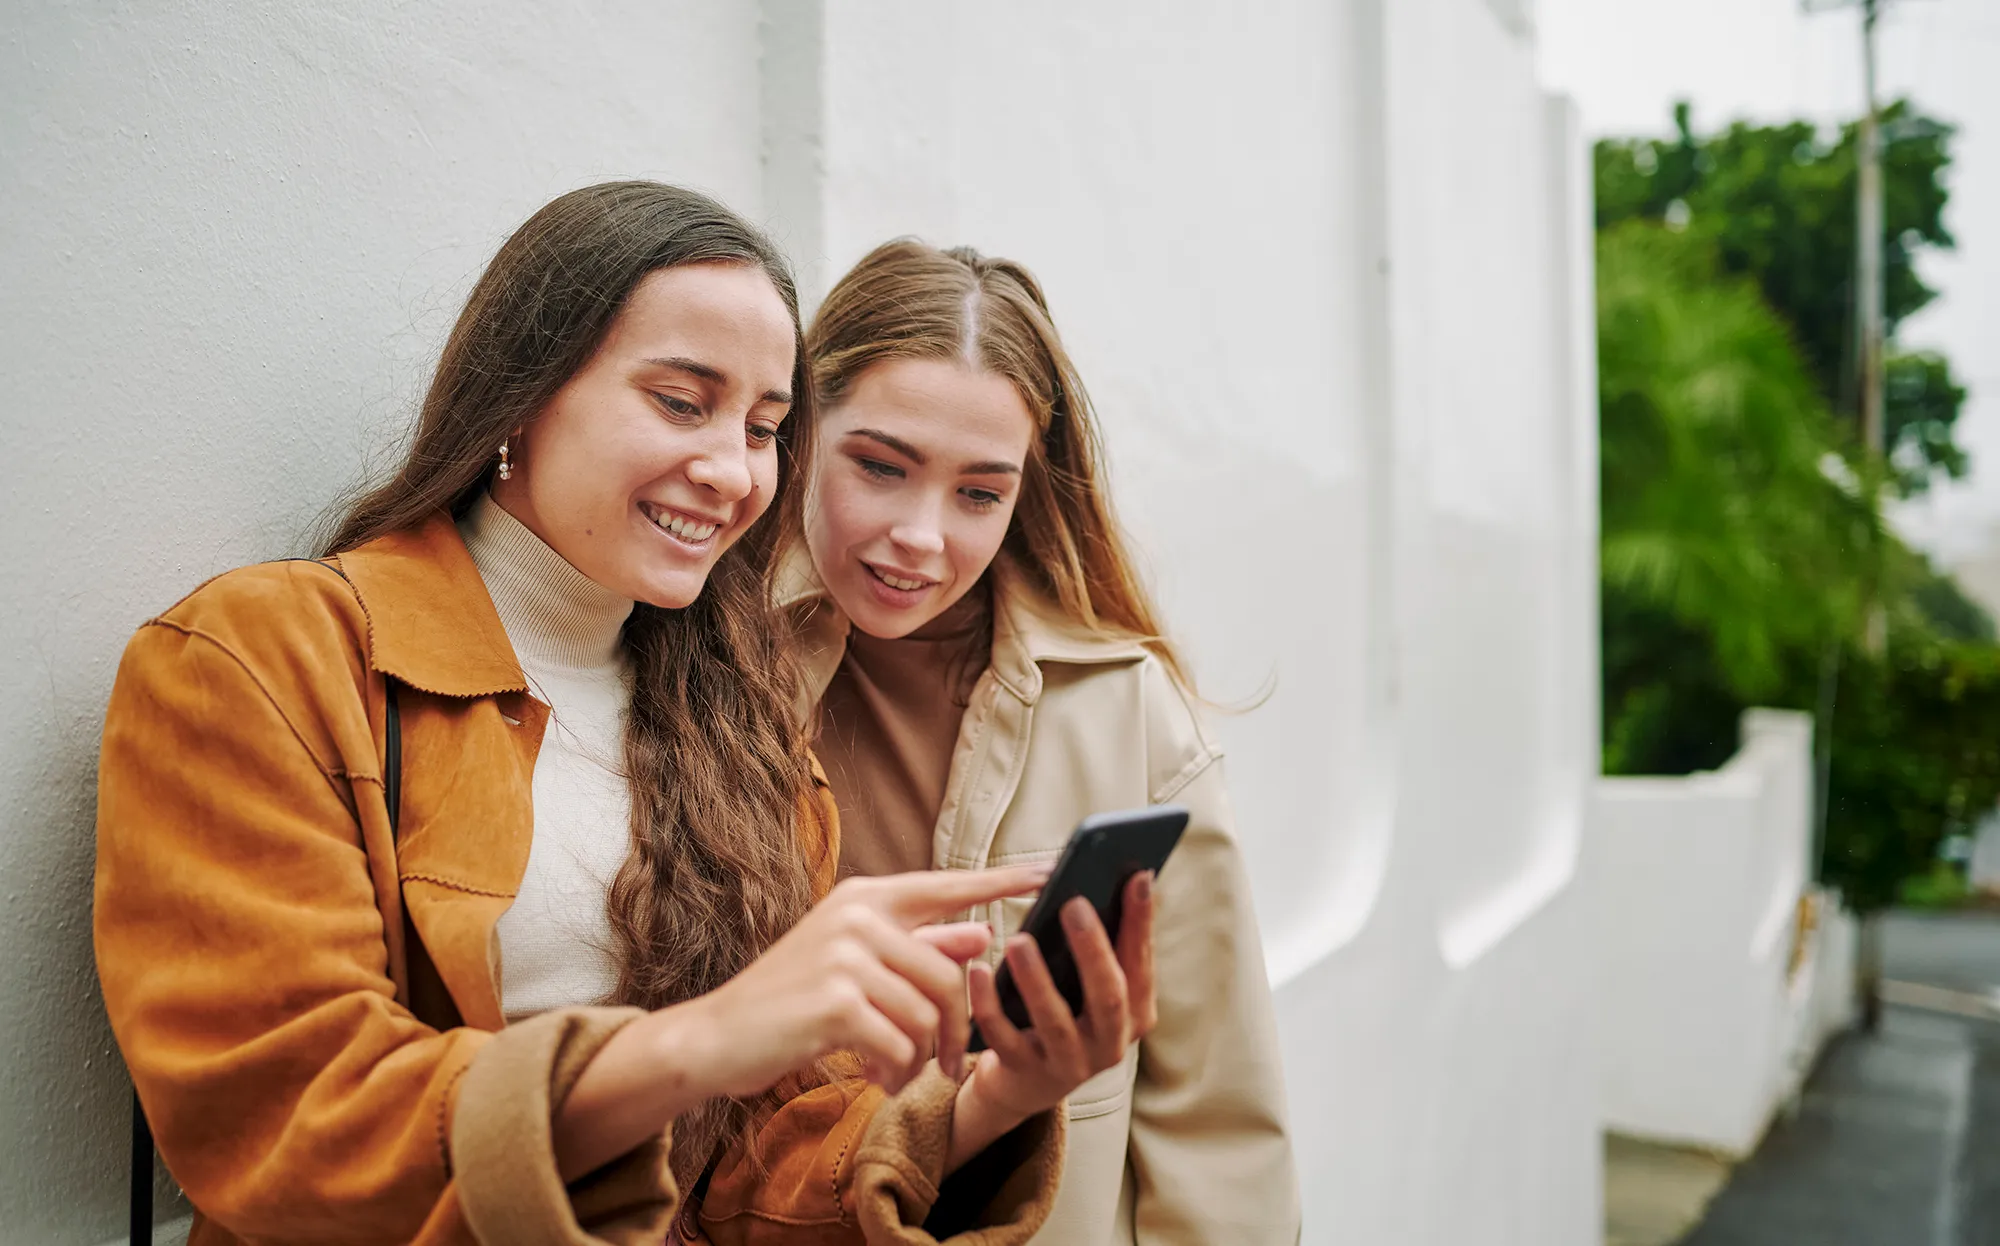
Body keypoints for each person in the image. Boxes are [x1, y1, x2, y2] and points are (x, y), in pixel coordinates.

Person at [93, 183, 1156, 1246]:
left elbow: (751, 1167)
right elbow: (277, 1118)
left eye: (763, 426)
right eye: (681, 402)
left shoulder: (743, 727)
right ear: (520, 393)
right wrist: (704, 1039)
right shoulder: (263, 657)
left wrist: (996, 1096)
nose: (730, 469)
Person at [791, 240, 1301, 1244]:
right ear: (798, 429)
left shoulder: (1126, 707)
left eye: (978, 493)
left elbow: (1213, 1108)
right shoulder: (701, 677)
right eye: (880, 466)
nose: (921, 535)